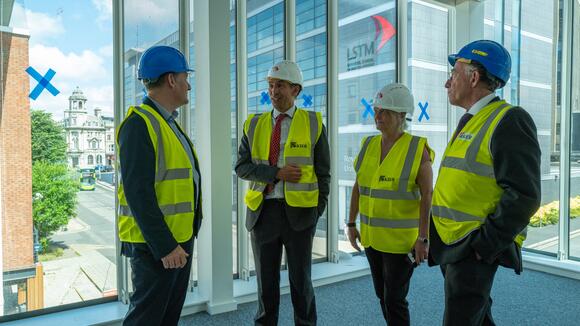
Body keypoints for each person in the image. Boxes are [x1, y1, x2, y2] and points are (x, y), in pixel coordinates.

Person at [429, 40, 541, 325]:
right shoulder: (473, 120)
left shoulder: (509, 119)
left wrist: (483, 246)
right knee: (477, 317)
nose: (447, 82)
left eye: (453, 73)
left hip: (474, 244)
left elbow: (524, 194)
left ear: (474, 77)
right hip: (454, 240)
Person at [235, 60, 330, 326]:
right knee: (266, 286)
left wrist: (315, 212)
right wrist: (276, 173)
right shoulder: (253, 124)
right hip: (263, 213)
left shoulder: (314, 123)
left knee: (301, 283)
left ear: (296, 90)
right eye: (271, 86)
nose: (274, 92)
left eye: (281, 86)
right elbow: (241, 168)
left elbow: (324, 174)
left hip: (300, 215)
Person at [117, 45, 202, 326]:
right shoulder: (139, 125)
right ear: (170, 80)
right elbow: (138, 194)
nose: (188, 85)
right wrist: (166, 247)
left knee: (166, 318)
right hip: (156, 248)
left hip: (177, 241)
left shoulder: (168, 123)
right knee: (146, 319)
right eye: (185, 77)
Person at [347, 83, 434, 326]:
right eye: (376, 110)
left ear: (401, 115)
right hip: (373, 238)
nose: (377, 116)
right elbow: (359, 186)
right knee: (382, 295)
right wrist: (351, 223)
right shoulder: (368, 145)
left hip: (401, 242)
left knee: (395, 298)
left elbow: (427, 196)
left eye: (383, 111)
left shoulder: (418, 149)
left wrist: (423, 239)